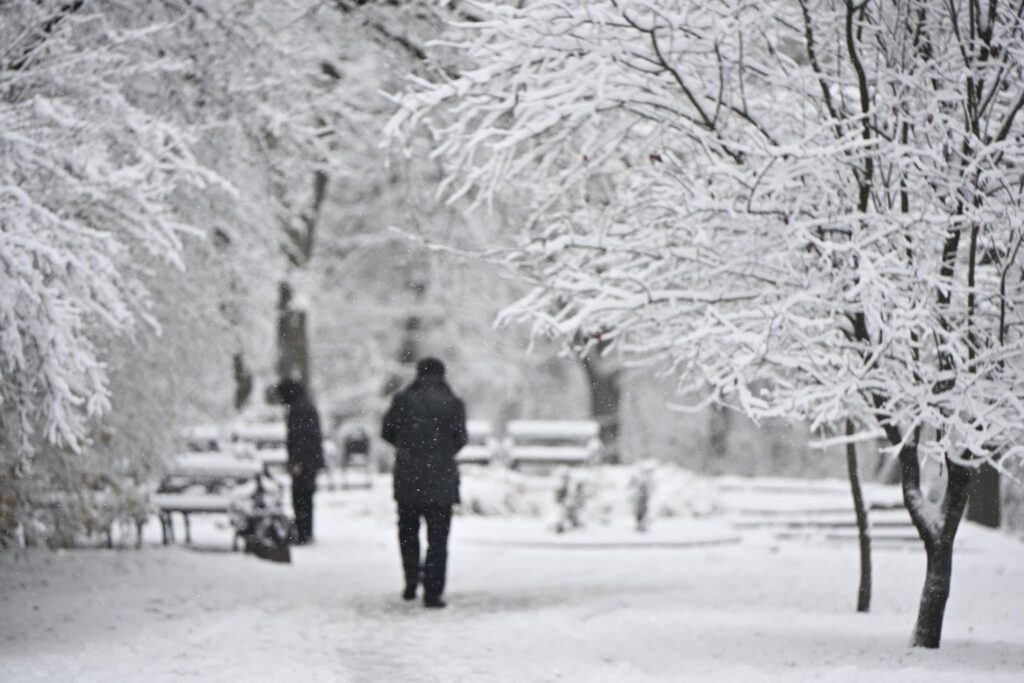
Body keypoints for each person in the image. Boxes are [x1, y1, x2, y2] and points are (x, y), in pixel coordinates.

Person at [381, 358, 467, 608]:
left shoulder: (402, 401)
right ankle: (433, 591)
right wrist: (440, 453)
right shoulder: (453, 403)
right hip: (441, 480)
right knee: (438, 539)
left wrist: (408, 448)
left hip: (408, 478)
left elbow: (387, 432)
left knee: (408, 532)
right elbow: (460, 438)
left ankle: (410, 579)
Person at [278, 378, 324, 545]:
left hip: (303, 462)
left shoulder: (298, 410)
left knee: (300, 497)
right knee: (306, 496)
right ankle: (306, 531)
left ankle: (303, 533)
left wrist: (297, 462)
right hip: (310, 460)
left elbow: (300, 438)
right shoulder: (306, 406)